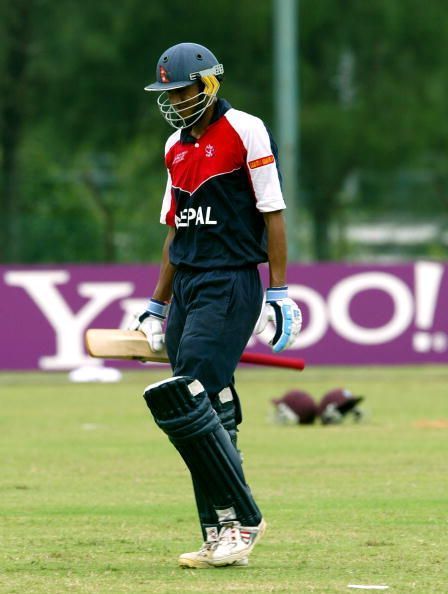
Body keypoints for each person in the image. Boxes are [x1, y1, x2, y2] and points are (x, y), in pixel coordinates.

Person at [131, 42, 302, 569]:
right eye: (167, 93)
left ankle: (244, 520)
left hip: (230, 281)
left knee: (185, 397)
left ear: (208, 85)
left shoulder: (246, 129)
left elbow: (272, 211)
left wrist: (277, 291)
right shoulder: (173, 146)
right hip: (188, 287)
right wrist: (157, 306)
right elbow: (174, 230)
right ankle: (218, 531)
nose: (174, 101)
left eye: (181, 91)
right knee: (209, 405)